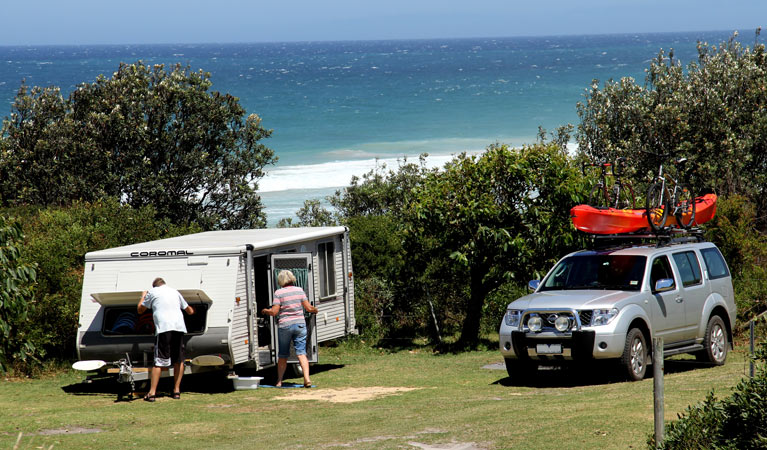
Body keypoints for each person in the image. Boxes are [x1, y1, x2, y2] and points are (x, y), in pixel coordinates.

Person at [137, 277, 194, 402]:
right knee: (179, 360)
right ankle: (176, 391)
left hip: (164, 328)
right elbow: (190, 311)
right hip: (179, 327)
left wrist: (143, 296)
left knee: (159, 361)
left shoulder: (152, 292)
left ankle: (152, 393)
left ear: (154, 286)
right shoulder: (175, 291)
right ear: (164, 284)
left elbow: (140, 310)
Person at [260, 270, 318, 388]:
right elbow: (308, 308)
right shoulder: (300, 290)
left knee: (283, 355)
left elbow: (274, 312)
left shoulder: (279, 293)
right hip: (300, 325)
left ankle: (279, 381)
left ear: (281, 280)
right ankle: (307, 379)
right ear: (292, 278)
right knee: (301, 353)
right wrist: (315, 310)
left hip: (285, 325)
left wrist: (266, 311)